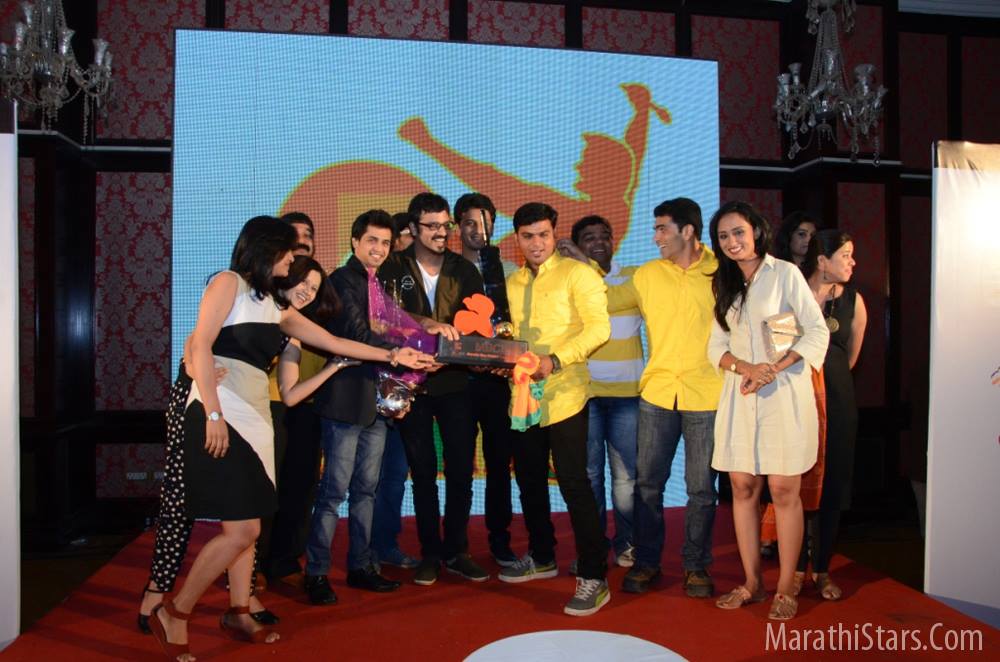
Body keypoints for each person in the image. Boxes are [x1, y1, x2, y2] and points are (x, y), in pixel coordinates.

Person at [147, 216, 433, 661]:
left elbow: (333, 342)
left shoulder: (274, 307)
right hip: (221, 409)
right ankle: (174, 612)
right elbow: (199, 345)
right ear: (265, 249)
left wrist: (394, 355)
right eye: (286, 252)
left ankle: (239, 611)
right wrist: (213, 413)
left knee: (249, 527)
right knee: (242, 529)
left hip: (257, 417)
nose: (291, 260)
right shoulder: (228, 283)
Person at [706, 201, 829, 622]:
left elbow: (815, 332)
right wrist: (747, 368)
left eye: (738, 232)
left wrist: (773, 369)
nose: (732, 242)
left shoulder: (785, 274)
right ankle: (752, 582)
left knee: (783, 489)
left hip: (784, 394)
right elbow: (716, 347)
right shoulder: (723, 284)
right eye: (723, 236)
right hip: (741, 394)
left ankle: (785, 586)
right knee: (742, 486)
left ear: (757, 232)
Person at [304, 209, 432, 604]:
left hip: (376, 403)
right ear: (355, 242)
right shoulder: (342, 281)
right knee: (333, 493)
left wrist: (421, 340)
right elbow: (357, 335)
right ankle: (317, 573)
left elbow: (394, 328)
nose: (379, 248)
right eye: (372, 240)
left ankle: (362, 566)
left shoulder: (377, 285)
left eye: (385, 242)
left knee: (366, 491)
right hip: (345, 401)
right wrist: (403, 352)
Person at [497, 202, 612, 617]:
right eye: (528, 236)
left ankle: (594, 576)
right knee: (529, 480)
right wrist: (500, 357)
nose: (536, 243)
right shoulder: (511, 283)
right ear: (517, 239)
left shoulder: (579, 275)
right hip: (523, 397)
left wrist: (556, 360)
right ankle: (543, 556)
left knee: (574, 484)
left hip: (566, 395)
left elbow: (599, 328)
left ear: (554, 234)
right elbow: (507, 335)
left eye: (543, 235)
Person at [378, 193, 489, 586]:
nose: (442, 233)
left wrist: (451, 353)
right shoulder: (391, 267)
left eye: (446, 225)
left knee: (460, 470)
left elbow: (479, 327)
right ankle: (430, 553)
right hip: (411, 385)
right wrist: (425, 325)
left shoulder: (465, 269)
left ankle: (457, 551)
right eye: (432, 226)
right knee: (422, 473)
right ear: (413, 228)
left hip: (455, 382)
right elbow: (382, 317)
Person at [556, 215, 642, 570]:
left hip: (627, 395)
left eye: (604, 236)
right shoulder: (570, 282)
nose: (599, 243)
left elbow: (611, 300)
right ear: (578, 244)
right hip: (584, 394)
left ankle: (628, 544)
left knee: (626, 478)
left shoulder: (634, 277)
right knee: (589, 477)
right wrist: (580, 268)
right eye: (589, 238)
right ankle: (592, 550)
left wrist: (583, 265)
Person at [261, 255, 344, 587]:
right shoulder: (267, 308)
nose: (308, 290)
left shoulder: (322, 311)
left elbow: (336, 346)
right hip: (269, 405)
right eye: (303, 282)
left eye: (314, 286)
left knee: (301, 487)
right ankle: (252, 565)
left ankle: (285, 561)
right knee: (267, 488)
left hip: (310, 407)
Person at [795, 229, 867, 600]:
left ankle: (822, 569)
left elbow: (850, 357)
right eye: (845, 255)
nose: (852, 262)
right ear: (822, 260)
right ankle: (794, 570)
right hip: (796, 403)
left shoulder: (854, 300)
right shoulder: (792, 294)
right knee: (794, 485)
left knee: (833, 485)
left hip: (838, 402)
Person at [454, 192, 518, 567]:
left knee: (498, 464)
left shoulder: (506, 269)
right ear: (457, 227)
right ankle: (456, 546)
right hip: (458, 381)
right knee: (460, 466)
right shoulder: (445, 269)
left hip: (497, 380)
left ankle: (500, 539)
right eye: (470, 223)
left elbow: (513, 325)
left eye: (486, 223)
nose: (479, 230)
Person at [370, 211, 421, 570]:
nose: (397, 245)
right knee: (367, 477)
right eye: (393, 238)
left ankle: (385, 543)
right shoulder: (363, 281)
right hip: (367, 386)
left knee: (395, 475)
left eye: (398, 239)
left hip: (405, 388)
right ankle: (363, 551)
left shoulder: (415, 281)